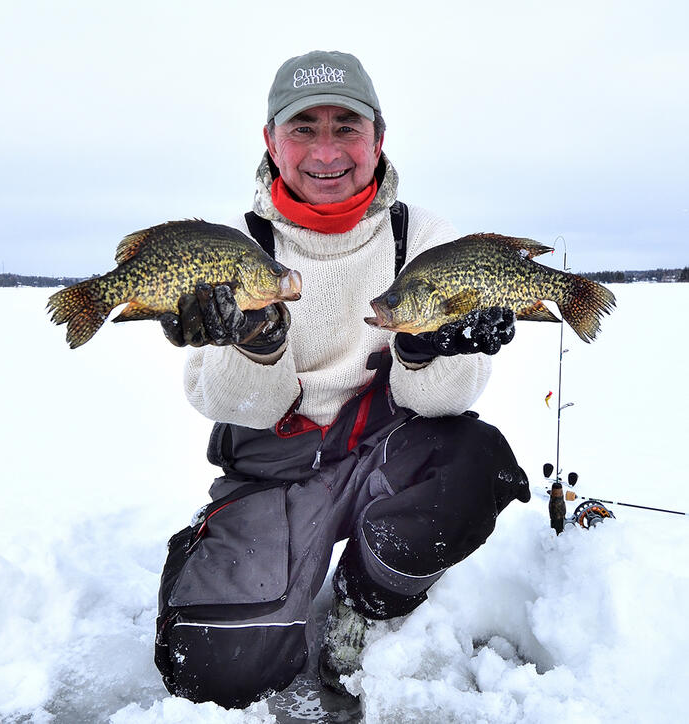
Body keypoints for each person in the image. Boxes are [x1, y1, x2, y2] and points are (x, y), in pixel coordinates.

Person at [154, 50, 530, 710]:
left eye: (345, 127)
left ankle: (367, 596)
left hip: (381, 455)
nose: (326, 151)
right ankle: (222, 552)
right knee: (215, 676)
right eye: (303, 128)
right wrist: (257, 343)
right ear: (270, 142)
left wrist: (422, 347)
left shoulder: (426, 241)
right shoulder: (234, 247)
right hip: (273, 470)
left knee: (474, 462)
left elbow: (445, 401)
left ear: (378, 138)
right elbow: (222, 400)